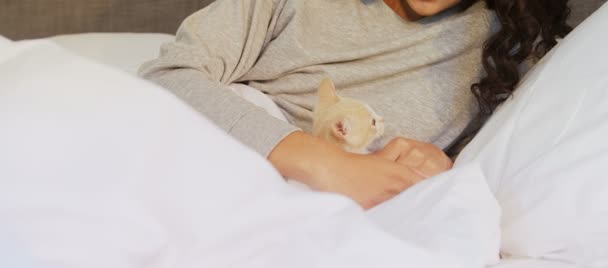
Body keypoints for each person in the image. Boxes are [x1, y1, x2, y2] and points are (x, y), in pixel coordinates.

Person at [139, 0, 570, 209]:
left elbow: (518, 171)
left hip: (343, 227)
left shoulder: (511, 44)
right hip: (217, 186)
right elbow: (167, 78)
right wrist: (324, 162)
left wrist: (446, 166)